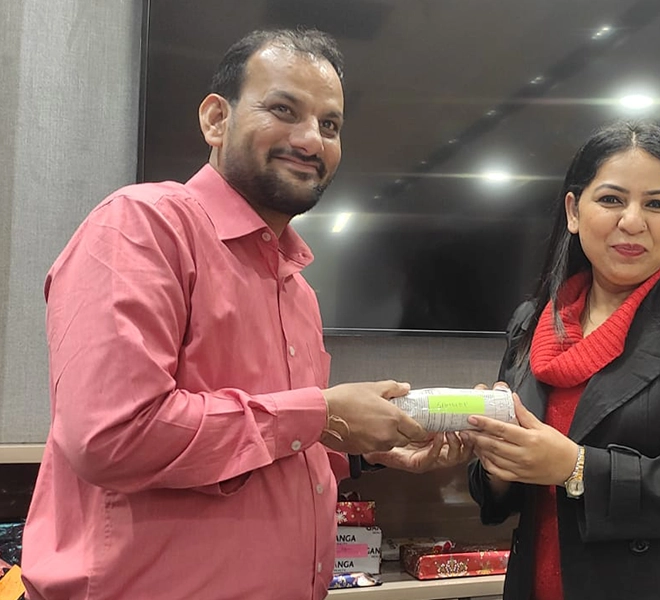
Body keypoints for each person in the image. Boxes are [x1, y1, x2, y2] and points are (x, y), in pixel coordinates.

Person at [21, 28, 471, 600]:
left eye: (330, 125)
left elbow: (266, 447)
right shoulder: (142, 225)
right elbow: (113, 435)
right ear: (216, 119)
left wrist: (362, 448)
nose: (310, 140)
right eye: (284, 110)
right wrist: (319, 415)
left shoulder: (298, 290)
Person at [462, 120, 660, 600]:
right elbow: (510, 498)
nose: (632, 221)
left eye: (657, 204)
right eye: (611, 199)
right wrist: (499, 464)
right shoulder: (533, 322)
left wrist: (578, 468)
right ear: (573, 211)